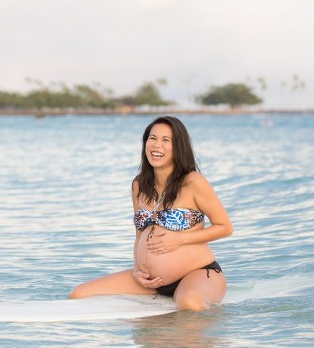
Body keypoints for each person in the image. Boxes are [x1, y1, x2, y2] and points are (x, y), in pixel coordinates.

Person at [68, 116, 232, 311]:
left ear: (179, 147)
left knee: (190, 304)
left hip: (198, 272)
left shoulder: (193, 182)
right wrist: (138, 269)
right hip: (152, 282)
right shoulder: (139, 185)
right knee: (78, 294)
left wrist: (180, 239)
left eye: (166, 140)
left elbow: (224, 227)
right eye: (152, 138)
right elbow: (139, 235)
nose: (157, 145)